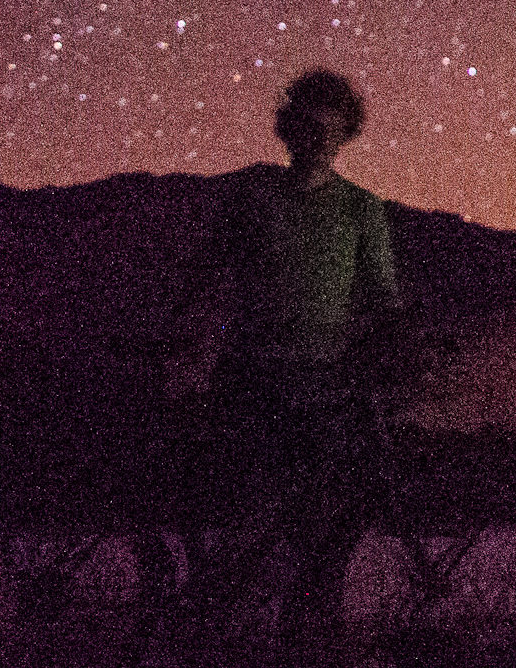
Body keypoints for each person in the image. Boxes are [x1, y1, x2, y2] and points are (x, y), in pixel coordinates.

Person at [163, 68, 403, 520]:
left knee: (328, 513)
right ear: (288, 129)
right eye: (307, 127)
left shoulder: (361, 208)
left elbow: (381, 293)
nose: (317, 141)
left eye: (329, 131)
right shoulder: (252, 193)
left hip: (326, 377)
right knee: (249, 511)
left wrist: (398, 342)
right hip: (252, 370)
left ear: (345, 135)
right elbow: (208, 268)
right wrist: (179, 330)